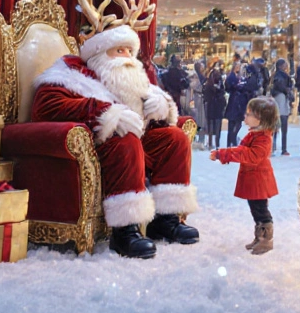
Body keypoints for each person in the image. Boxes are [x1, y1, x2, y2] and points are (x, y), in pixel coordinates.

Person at [31, 21, 198, 259]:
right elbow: (47, 106)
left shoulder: (130, 82)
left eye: (130, 51)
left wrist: (161, 108)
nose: (128, 58)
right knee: (126, 141)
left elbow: (152, 116)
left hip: (136, 145)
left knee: (174, 138)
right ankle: (125, 231)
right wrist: (105, 114)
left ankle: (165, 218)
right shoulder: (70, 75)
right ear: (99, 54)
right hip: (102, 148)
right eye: (119, 51)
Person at [211, 96, 279, 255]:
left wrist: (226, 154)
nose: (245, 117)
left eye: (249, 114)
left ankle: (266, 239)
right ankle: (259, 236)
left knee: (261, 210)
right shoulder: (254, 134)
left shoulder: (263, 138)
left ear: (260, 118)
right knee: (255, 209)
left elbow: (249, 154)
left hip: (259, 181)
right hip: (252, 179)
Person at [225, 61, 259, 147]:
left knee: (237, 123)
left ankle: (232, 140)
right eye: (237, 66)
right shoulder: (232, 77)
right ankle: (231, 141)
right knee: (233, 123)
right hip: (235, 103)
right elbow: (229, 87)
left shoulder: (243, 78)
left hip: (239, 103)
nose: (239, 68)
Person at [271, 58, 294, 156]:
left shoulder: (277, 75)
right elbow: (281, 86)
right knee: (281, 124)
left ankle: (274, 147)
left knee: (276, 126)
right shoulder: (281, 76)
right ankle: (281, 148)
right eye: (285, 64)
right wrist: (288, 90)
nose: (286, 66)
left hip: (280, 100)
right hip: (281, 100)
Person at [202, 59, 227, 150]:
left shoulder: (208, 83)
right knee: (216, 124)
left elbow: (205, 94)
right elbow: (222, 92)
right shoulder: (217, 83)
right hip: (216, 105)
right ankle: (216, 143)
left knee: (211, 124)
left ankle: (211, 143)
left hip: (211, 105)